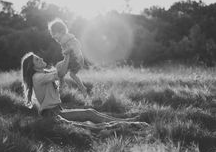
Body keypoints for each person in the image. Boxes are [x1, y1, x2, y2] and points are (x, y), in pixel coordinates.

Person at [21, 52, 149, 130]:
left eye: (39, 57)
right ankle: (128, 125)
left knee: (90, 112)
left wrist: (68, 61)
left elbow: (60, 72)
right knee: (90, 117)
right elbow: (60, 72)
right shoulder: (37, 77)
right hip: (51, 114)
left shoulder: (43, 73)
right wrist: (67, 55)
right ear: (31, 67)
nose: (41, 59)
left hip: (57, 110)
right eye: (37, 60)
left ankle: (126, 122)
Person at [48, 18, 87, 97]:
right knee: (72, 74)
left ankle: (61, 86)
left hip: (75, 60)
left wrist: (69, 50)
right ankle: (82, 88)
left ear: (61, 31)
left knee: (59, 67)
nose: (52, 36)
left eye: (54, 33)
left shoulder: (65, 39)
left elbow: (77, 45)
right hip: (77, 60)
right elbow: (76, 45)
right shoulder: (67, 38)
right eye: (52, 34)